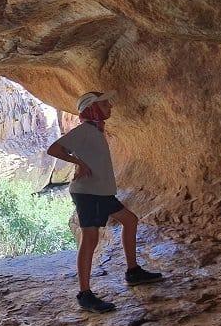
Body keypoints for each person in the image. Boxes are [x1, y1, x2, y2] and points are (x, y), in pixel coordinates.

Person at [47, 91, 163, 313]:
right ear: (92, 108)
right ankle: (85, 294)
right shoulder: (84, 130)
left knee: (130, 221)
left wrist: (81, 162)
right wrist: (79, 163)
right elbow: (54, 149)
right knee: (90, 239)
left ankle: (133, 271)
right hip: (88, 193)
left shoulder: (95, 131)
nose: (110, 106)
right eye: (105, 104)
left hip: (100, 192)